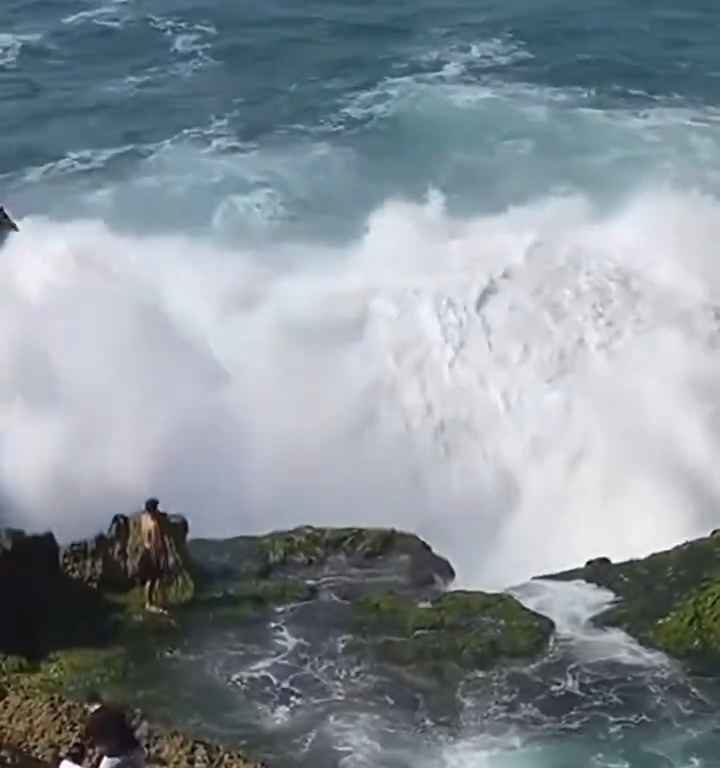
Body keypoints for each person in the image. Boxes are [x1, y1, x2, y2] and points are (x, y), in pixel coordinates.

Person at [84, 692, 145, 768]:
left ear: (89, 706)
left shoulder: (93, 720)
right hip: (136, 751)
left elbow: (100, 744)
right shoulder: (115, 710)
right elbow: (130, 725)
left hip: (117, 755)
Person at [139, 497, 168, 613]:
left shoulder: (144, 519)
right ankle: (154, 603)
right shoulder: (154, 524)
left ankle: (149, 602)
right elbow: (157, 543)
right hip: (153, 552)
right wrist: (163, 556)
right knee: (155, 579)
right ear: (154, 510)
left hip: (145, 550)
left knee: (149, 580)